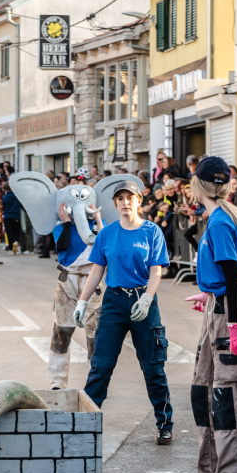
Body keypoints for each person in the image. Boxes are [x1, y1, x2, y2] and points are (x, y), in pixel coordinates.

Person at [182, 157, 237, 473]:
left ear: (199, 185)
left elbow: (232, 276)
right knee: (203, 390)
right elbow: (223, 274)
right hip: (220, 304)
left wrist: (233, 324)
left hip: (230, 310)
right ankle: (210, 472)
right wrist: (207, 293)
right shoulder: (219, 217)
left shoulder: (221, 222)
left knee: (227, 398)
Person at [75, 180, 173, 444]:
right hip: (114, 302)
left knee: (153, 368)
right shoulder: (107, 234)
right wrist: (82, 302)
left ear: (138, 201)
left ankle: (165, 423)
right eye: (120, 198)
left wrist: (147, 299)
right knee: (100, 366)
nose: (125, 202)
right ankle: (85, 424)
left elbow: (156, 271)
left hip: (143, 300)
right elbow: (97, 270)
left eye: (130, 198)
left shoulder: (152, 232)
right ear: (115, 203)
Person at [48, 197, 105, 390]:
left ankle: (94, 381)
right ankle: (57, 381)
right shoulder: (61, 226)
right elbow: (62, 246)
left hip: (92, 278)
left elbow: (104, 244)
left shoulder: (96, 226)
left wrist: (97, 219)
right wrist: (66, 222)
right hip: (67, 278)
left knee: (94, 333)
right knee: (61, 331)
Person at [2, 181, 22, 255]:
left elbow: (3, 207)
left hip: (7, 216)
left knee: (9, 232)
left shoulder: (5, 197)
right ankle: (16, 241)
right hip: (16, 216)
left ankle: (10, 248)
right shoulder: (17, 197)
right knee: (16, 231)